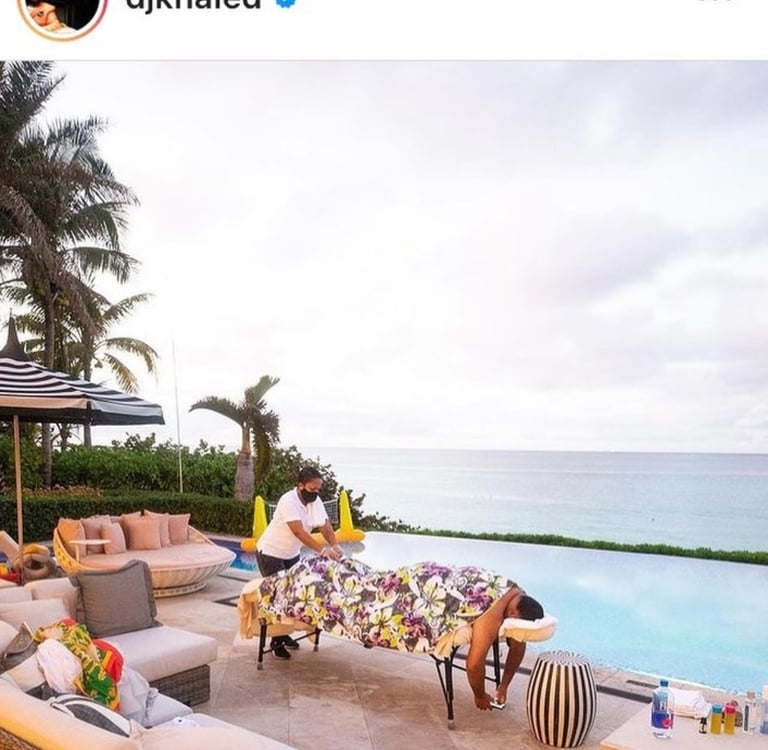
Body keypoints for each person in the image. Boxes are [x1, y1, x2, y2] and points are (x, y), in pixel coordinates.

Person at [256, 466, 343, 659]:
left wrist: (335, 545)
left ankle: (284, 634)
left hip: (291, 554)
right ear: (301, 485)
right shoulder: (288, 501)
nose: (316, 493)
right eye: (312, 489)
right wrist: (323, 550)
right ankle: (276, 641)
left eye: (318, 489)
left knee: (294, 596)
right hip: (271, 553)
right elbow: (299, 532)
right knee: (278, 597)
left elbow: (326, 527)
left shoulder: (315, 502)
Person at [465, 581, 543, 710]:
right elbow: (473, 665)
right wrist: (480, 696)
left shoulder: (518, 594)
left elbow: (518, 645)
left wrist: (504, 686)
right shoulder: (493, 612)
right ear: (513, 615)